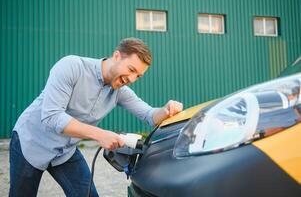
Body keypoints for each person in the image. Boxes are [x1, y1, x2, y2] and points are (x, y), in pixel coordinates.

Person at [9, 37, 183, 197]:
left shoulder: (120, 91)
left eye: (138, 76)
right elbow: (52, 117)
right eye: (131, 69)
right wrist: (101, 134)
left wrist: (166, 110)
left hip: (65, 151)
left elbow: (149, 115)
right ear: (116, 56)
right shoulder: (72, 66)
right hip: (31, 141)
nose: (131, 78)